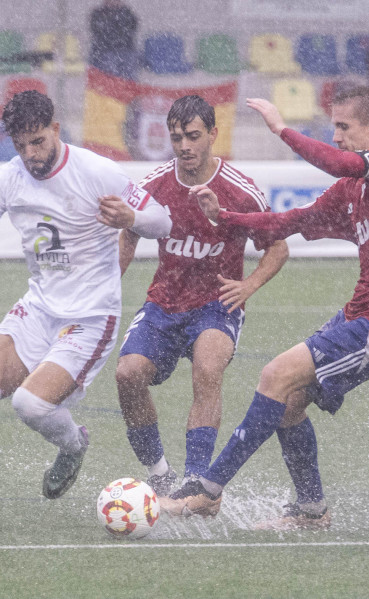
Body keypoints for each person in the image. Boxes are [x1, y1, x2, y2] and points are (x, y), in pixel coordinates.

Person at [159, 87, 369, 531]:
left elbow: (338, 161)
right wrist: (225, 217)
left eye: (344, 127)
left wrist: (281, 129)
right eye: (334, 127)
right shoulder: (351, 192)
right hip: (360, 314)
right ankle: (311, 512)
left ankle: (206, 492)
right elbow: (288, 222)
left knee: (275, 375)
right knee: (288, 403)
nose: (337, 136)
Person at [0, 90, 171, 527]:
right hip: (39, 308)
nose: (30, 154)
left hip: (89, 317)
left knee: (30, 405)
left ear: (56, 130)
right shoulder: (10, 177)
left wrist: (130, 219)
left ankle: (73, 445)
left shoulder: (96, 171)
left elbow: (163, 220)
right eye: (20, 145)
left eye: (38, 142)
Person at [116, 95, 289, 497]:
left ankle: (194, 479)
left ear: (213, 135)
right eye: (176, 138)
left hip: (217, 305)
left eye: (193, 136)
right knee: (127, 376)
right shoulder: (153, 187)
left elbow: (277, 247)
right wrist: (108, 284)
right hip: (164, 303)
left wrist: (248, 286)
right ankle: (159, 472)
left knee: (207, 368)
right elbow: (128, 231)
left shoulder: (240, 190)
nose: (184, 146)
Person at [89, 0, 140, 80]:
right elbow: (97, 31)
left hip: (125, 50)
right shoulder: (99, 14)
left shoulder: (127, 13)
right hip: (104, 51)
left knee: (127, 76)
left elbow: (132, 28)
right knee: (108, 75)